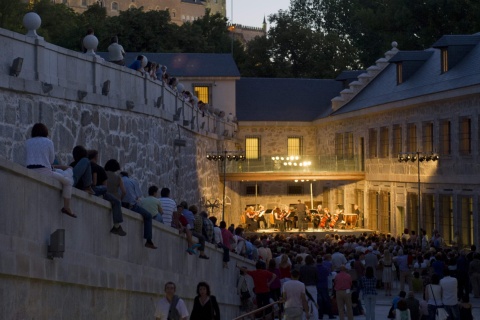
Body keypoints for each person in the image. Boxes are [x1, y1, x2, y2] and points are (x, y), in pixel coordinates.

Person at [25, 123, 76, 218]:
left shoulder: (28, 142)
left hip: (30, 169)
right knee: (68, 182)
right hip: (44, 171)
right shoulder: (48, 142)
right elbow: (51, 160)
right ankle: (67, 207)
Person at [88, 150, 126, 236]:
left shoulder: (102, 171)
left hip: (102, 196)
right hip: (113, 198)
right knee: (116, 203)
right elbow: (124, 191)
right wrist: (121, 199)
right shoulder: (118, 177)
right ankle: (117, 226)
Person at [119, 171, 156, 249]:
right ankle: (148, 240)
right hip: (131, 206)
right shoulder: (133, 181)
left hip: (120, 204)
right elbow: (137, 196)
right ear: (127, 176)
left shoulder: (118, 180)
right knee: (148, 216)